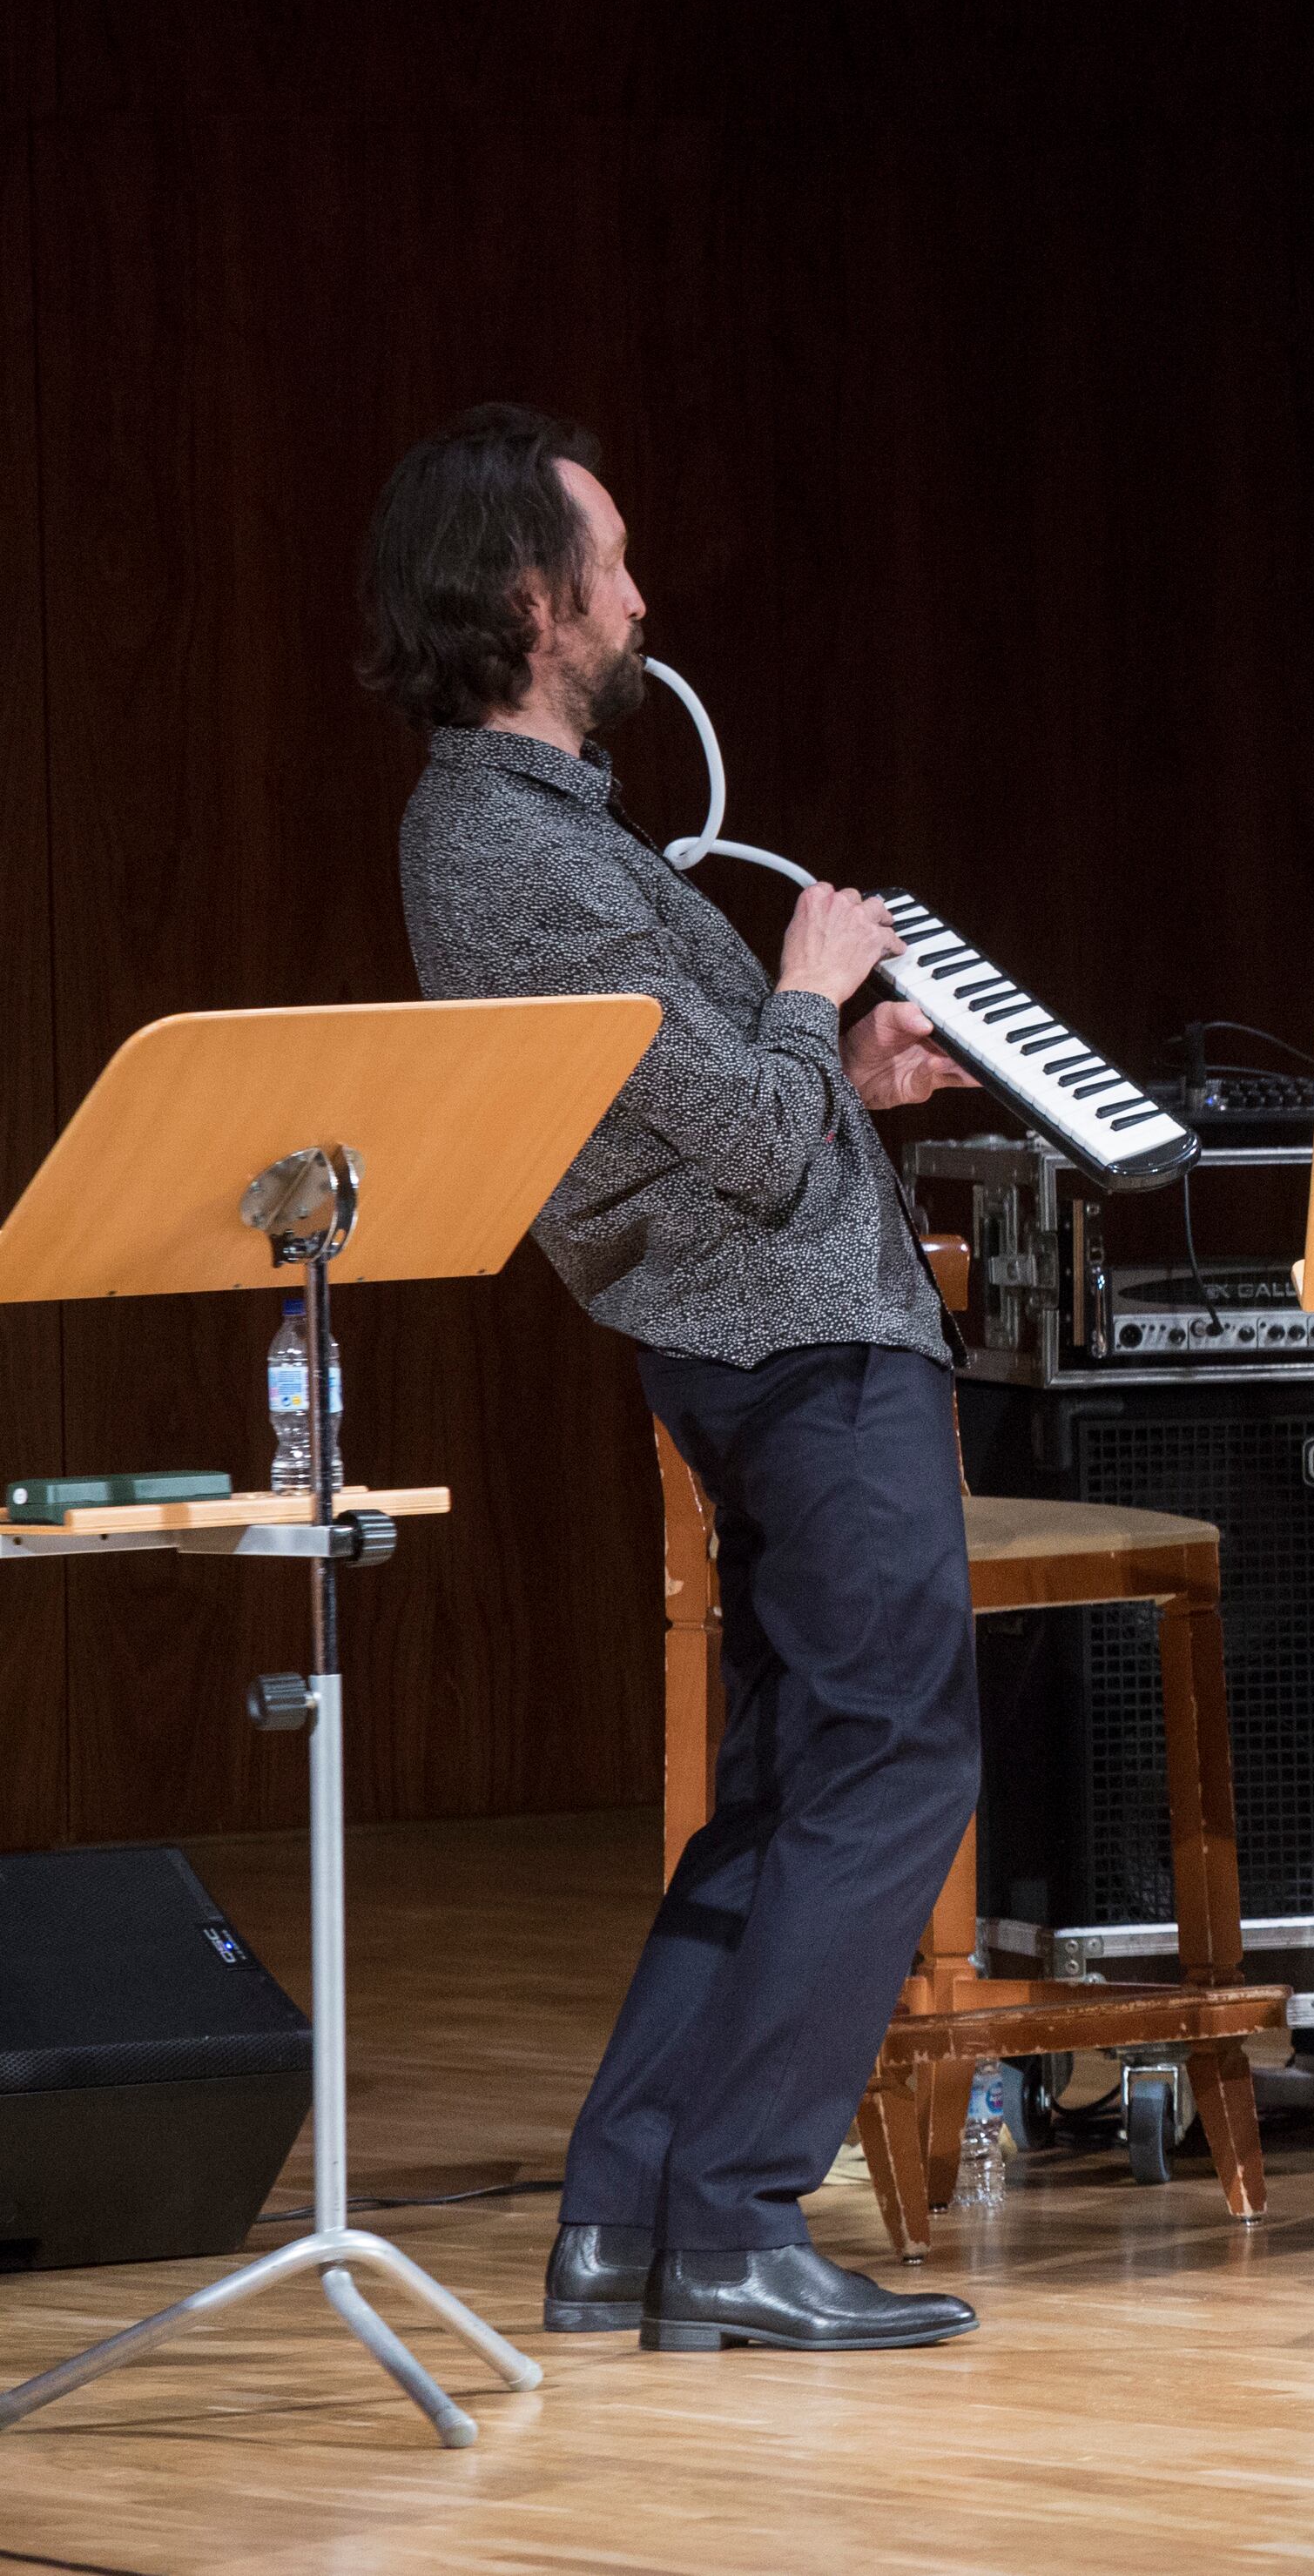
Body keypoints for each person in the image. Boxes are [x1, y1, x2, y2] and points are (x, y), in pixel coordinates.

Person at [369, 405, 990, 2354]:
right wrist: (806, 990)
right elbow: (734, 1132)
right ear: (535, 595)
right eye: (613, 562)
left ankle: (627, 2215)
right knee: (897, 1762)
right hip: (788, 1348)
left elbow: (728, 1112)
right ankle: (732, 2216)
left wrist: (848, 1073)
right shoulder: (499, 842)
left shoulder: (558, 832)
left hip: (775, 1325)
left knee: (790, 1790)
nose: (644, 597)